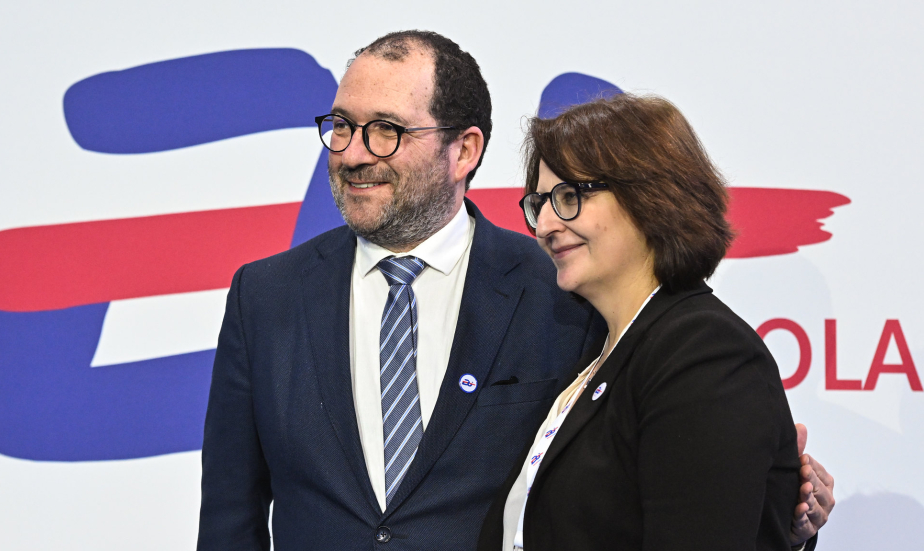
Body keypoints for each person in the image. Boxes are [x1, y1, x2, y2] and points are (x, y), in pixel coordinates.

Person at [197, 31, 833, 551]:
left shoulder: (562, 293)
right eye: (342, 125)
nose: (354, 152)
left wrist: (777, 511)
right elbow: (231, 520)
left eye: (386, 129)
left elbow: (664, 488)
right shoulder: (265, 297)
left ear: (463, 149)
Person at [477, 93, 823, 551]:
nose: (543, 226)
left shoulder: (703, 350)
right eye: (539, 203)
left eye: (566, 197)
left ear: (649, 196)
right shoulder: (599, 354)